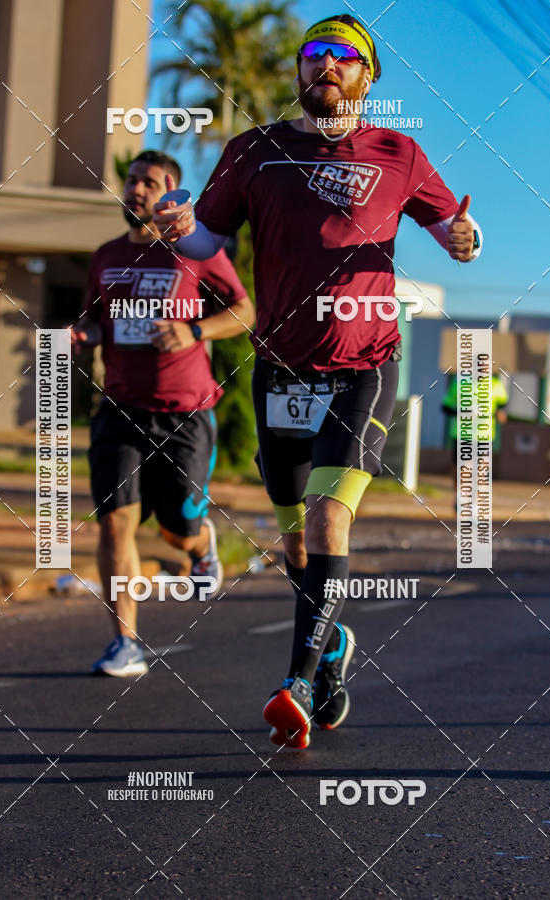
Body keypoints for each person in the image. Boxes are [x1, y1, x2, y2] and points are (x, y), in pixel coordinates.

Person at [153, 14, 483, 748]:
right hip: (280, 368)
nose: (325, 66)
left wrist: (467, 239)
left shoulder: (399, 152)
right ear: (299, 72)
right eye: (313, 54)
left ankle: (298, 679)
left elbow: (450, 231)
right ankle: (332, 652)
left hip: (365, 366)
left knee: (330, 518)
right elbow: (210, 237)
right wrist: (182, 233)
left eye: (343, 56)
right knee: (296, 542)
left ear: (368, 77)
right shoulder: (254, 152)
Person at [71, 150, 254, 677]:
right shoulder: (105, 256)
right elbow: (97, 321)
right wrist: (85, 335)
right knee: (115, 526)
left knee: (176, 524)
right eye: (130, 181)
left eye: (148, 183)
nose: (136, 190)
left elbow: (245, 310)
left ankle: (199, 546)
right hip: (121, 408)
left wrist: (194, 330)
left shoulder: (194, 251)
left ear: (171, 191)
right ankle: (125, 642)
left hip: (184, 414)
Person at [442, 372, 508, 505]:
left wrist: (500, 414)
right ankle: (459, 496)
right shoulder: (460, 384)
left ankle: (474, 501)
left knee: (481, 468)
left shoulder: (495, 385)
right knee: (461, 469)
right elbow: (445, 407)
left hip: (484, 434)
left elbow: (502, 406)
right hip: (462, 433)